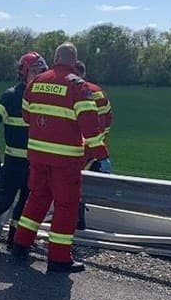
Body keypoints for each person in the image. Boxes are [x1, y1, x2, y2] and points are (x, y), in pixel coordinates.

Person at [11, 43, 106, 273]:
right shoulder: (78, 85)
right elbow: (90, 124)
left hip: (37, 155)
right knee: (66, 206)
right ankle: (59, 258)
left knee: (37, 199)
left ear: (54, 58)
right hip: (65, 159)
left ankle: (20, 244)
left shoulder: (36, 82)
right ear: (74, 62)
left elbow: (26, 116)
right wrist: (99, 151)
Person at [0, 51, 48, 247]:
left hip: (35, 164)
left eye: (41, 71)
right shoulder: (11, 96)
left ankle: (15, 242)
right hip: (14, 163)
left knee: (25, 206)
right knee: (3, 201)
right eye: (34, 71)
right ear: (23, 72)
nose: (38, 75)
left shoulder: (44, 97)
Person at [73, 60, 113, 230]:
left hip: (76, 149)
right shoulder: (98, 92)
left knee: (72, 188)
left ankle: (76, 222)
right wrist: (101, 141)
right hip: (96, 149)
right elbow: (109, 118)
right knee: (84, 187)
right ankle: (79, 220)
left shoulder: (74, 90)